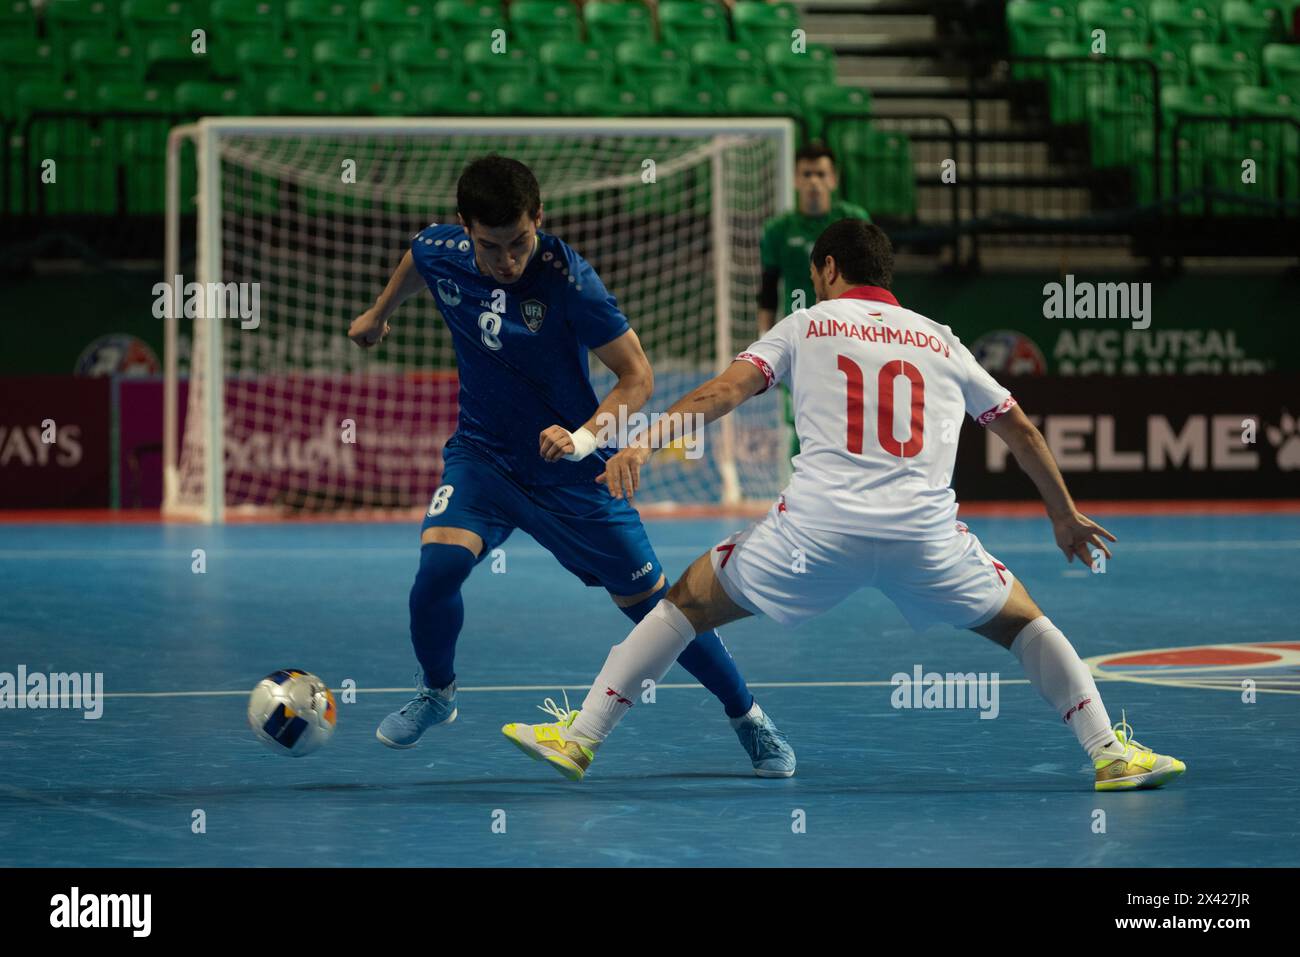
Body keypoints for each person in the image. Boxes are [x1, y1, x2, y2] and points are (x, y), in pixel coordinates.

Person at [501, 219, 1186, 793]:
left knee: (683, 603)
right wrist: (1062, 514)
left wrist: (645, 442)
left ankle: (582, 737)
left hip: (815, 535)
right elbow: (1020, 429)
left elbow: (723, 393)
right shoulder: (941, 336)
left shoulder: (807, 324)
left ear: (827, 269)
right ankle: (1110, 754)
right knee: (1027, 626)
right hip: (926, 538)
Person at [347, 155, 795, 777]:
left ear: (540, 218)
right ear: (463, 228)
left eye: (519, 243)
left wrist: (585, 440)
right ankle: (438, 692)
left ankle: (749, 718)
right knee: (437, 570)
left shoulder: (568, 279)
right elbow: (417, 256)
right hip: (484, 459)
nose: (507, 262)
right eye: (491, 246)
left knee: (657, 609)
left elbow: (637, 376)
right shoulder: (440, 249)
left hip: (572, 473)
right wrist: (380, 312)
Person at [759, 142, 871, 460]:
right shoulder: (778, 230)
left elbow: (870, 278)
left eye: (820, 174)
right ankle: (805, 495)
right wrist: (765, 341)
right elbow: (768, 290)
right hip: (799, 339)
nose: (813, 181)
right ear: (795, 179)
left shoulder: (852, 220)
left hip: (848, 336)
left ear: (833, 179)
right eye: (806, 174)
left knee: (846, 418)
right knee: (803, 421)